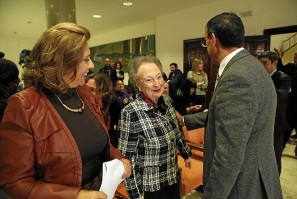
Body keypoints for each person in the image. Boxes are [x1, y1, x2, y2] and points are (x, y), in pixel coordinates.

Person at [0, 22, 131, 199]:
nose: (91, 65)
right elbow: (14, 183)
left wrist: (118, 159)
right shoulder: (24, 105)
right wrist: (76, 196)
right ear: (63, 63)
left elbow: (99, 143)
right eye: (86, 59)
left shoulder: (85, 93)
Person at [177, 12, 282, 198]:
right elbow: (226, 114)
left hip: (243, 183)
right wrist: (185, 119)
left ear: (213, 39)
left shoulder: (236, 77)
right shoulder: (252, 66)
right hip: (257, 169)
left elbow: (229, 155)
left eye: (204, 40)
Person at [118, 55, 192, 199]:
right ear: (138, 85)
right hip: (150, 186)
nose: (157, 83)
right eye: (149, 80)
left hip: (172, 176)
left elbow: (176, 131)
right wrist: (136, 193)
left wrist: (186, 153)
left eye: (159, 77)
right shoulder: (130, 113)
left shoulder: (167, 101)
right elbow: (127, 158)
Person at [258, 51, 291, 173]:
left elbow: (276, 97)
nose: (261, 66)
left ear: (275, 63)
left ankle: (273, 187)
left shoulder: (284, 78)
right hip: (261, 122)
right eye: (259, 63)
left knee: (274, 158)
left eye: (265, 63)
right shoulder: (259, 77)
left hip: (276, 123)